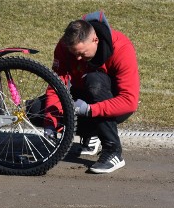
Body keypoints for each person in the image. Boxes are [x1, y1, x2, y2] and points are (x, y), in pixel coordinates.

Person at [45, 11, 140, 174]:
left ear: (95, 40)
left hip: (110, 102)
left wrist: (89, 110)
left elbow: (129, 102)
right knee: (35, 110)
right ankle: (91, 136)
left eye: (82, 53)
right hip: (81, 98)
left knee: (94, 82)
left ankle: (113, 152)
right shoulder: (64, 47)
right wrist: (50, 123)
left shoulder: (122, 48)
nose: (78, 59)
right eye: (74, 54)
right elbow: (56, 86)